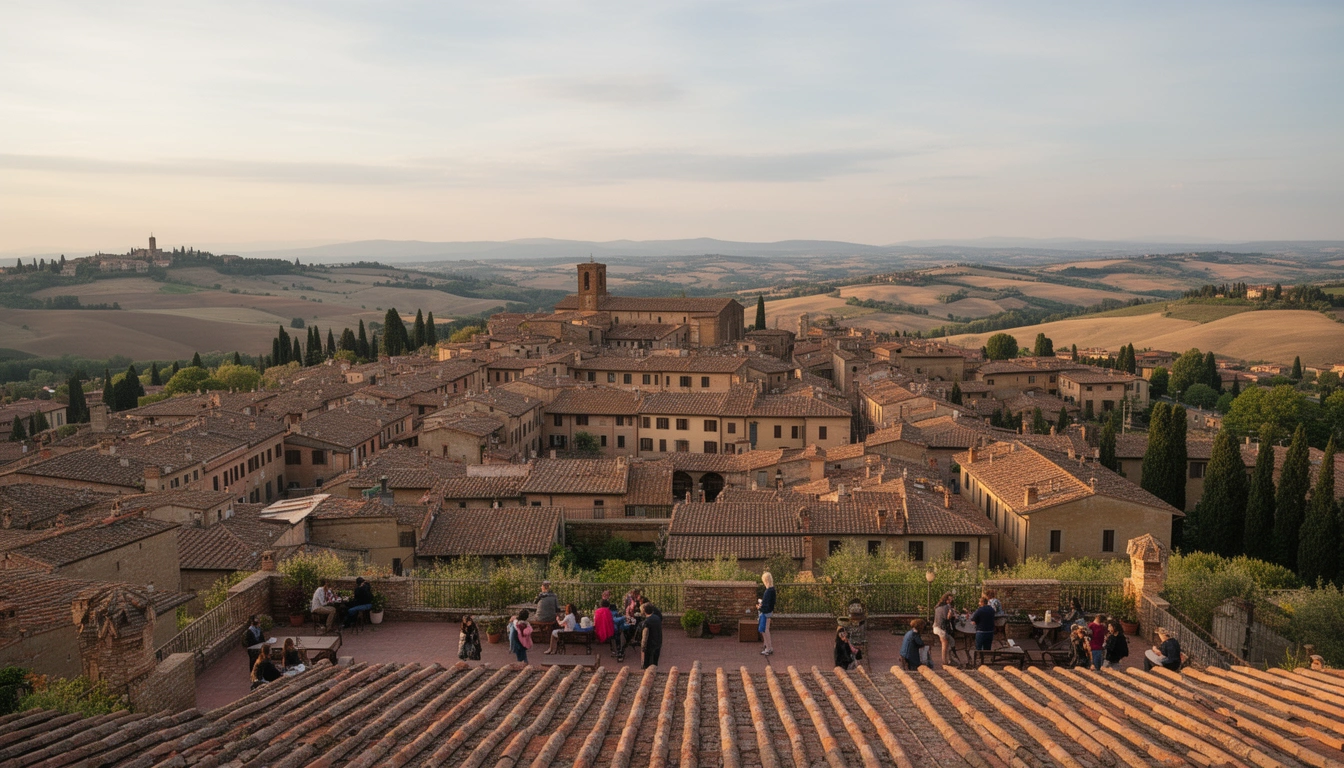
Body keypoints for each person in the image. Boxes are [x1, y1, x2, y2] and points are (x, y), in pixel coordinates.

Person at [932, 593, 958, 668]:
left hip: (936, 626)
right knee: (945, 644)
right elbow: (947, 618)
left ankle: (950, 659)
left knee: (952, 641)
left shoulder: (938, 606)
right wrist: (952, 615)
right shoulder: (946, 607)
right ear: (946, 600)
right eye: (949, 599)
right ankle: (944, 662)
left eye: (951, 599)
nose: (950, 601)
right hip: (941, 628)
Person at [639, 602, 662, 669]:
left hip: (650, 645)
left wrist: (643, 647)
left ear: (644, 611)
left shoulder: (647, 622)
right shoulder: (657, 618)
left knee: (647, 665)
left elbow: (645, 636)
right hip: (658, 643)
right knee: (655, 663)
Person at [759, 571, 777, 656]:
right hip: (769, 612)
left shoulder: (768, 591)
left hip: (766, 612)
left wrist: (760, 607)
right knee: (766, 630)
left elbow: (767, 604)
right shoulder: (772, 590)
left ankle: (768, 648)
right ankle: (768, 646)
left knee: (764, 630)